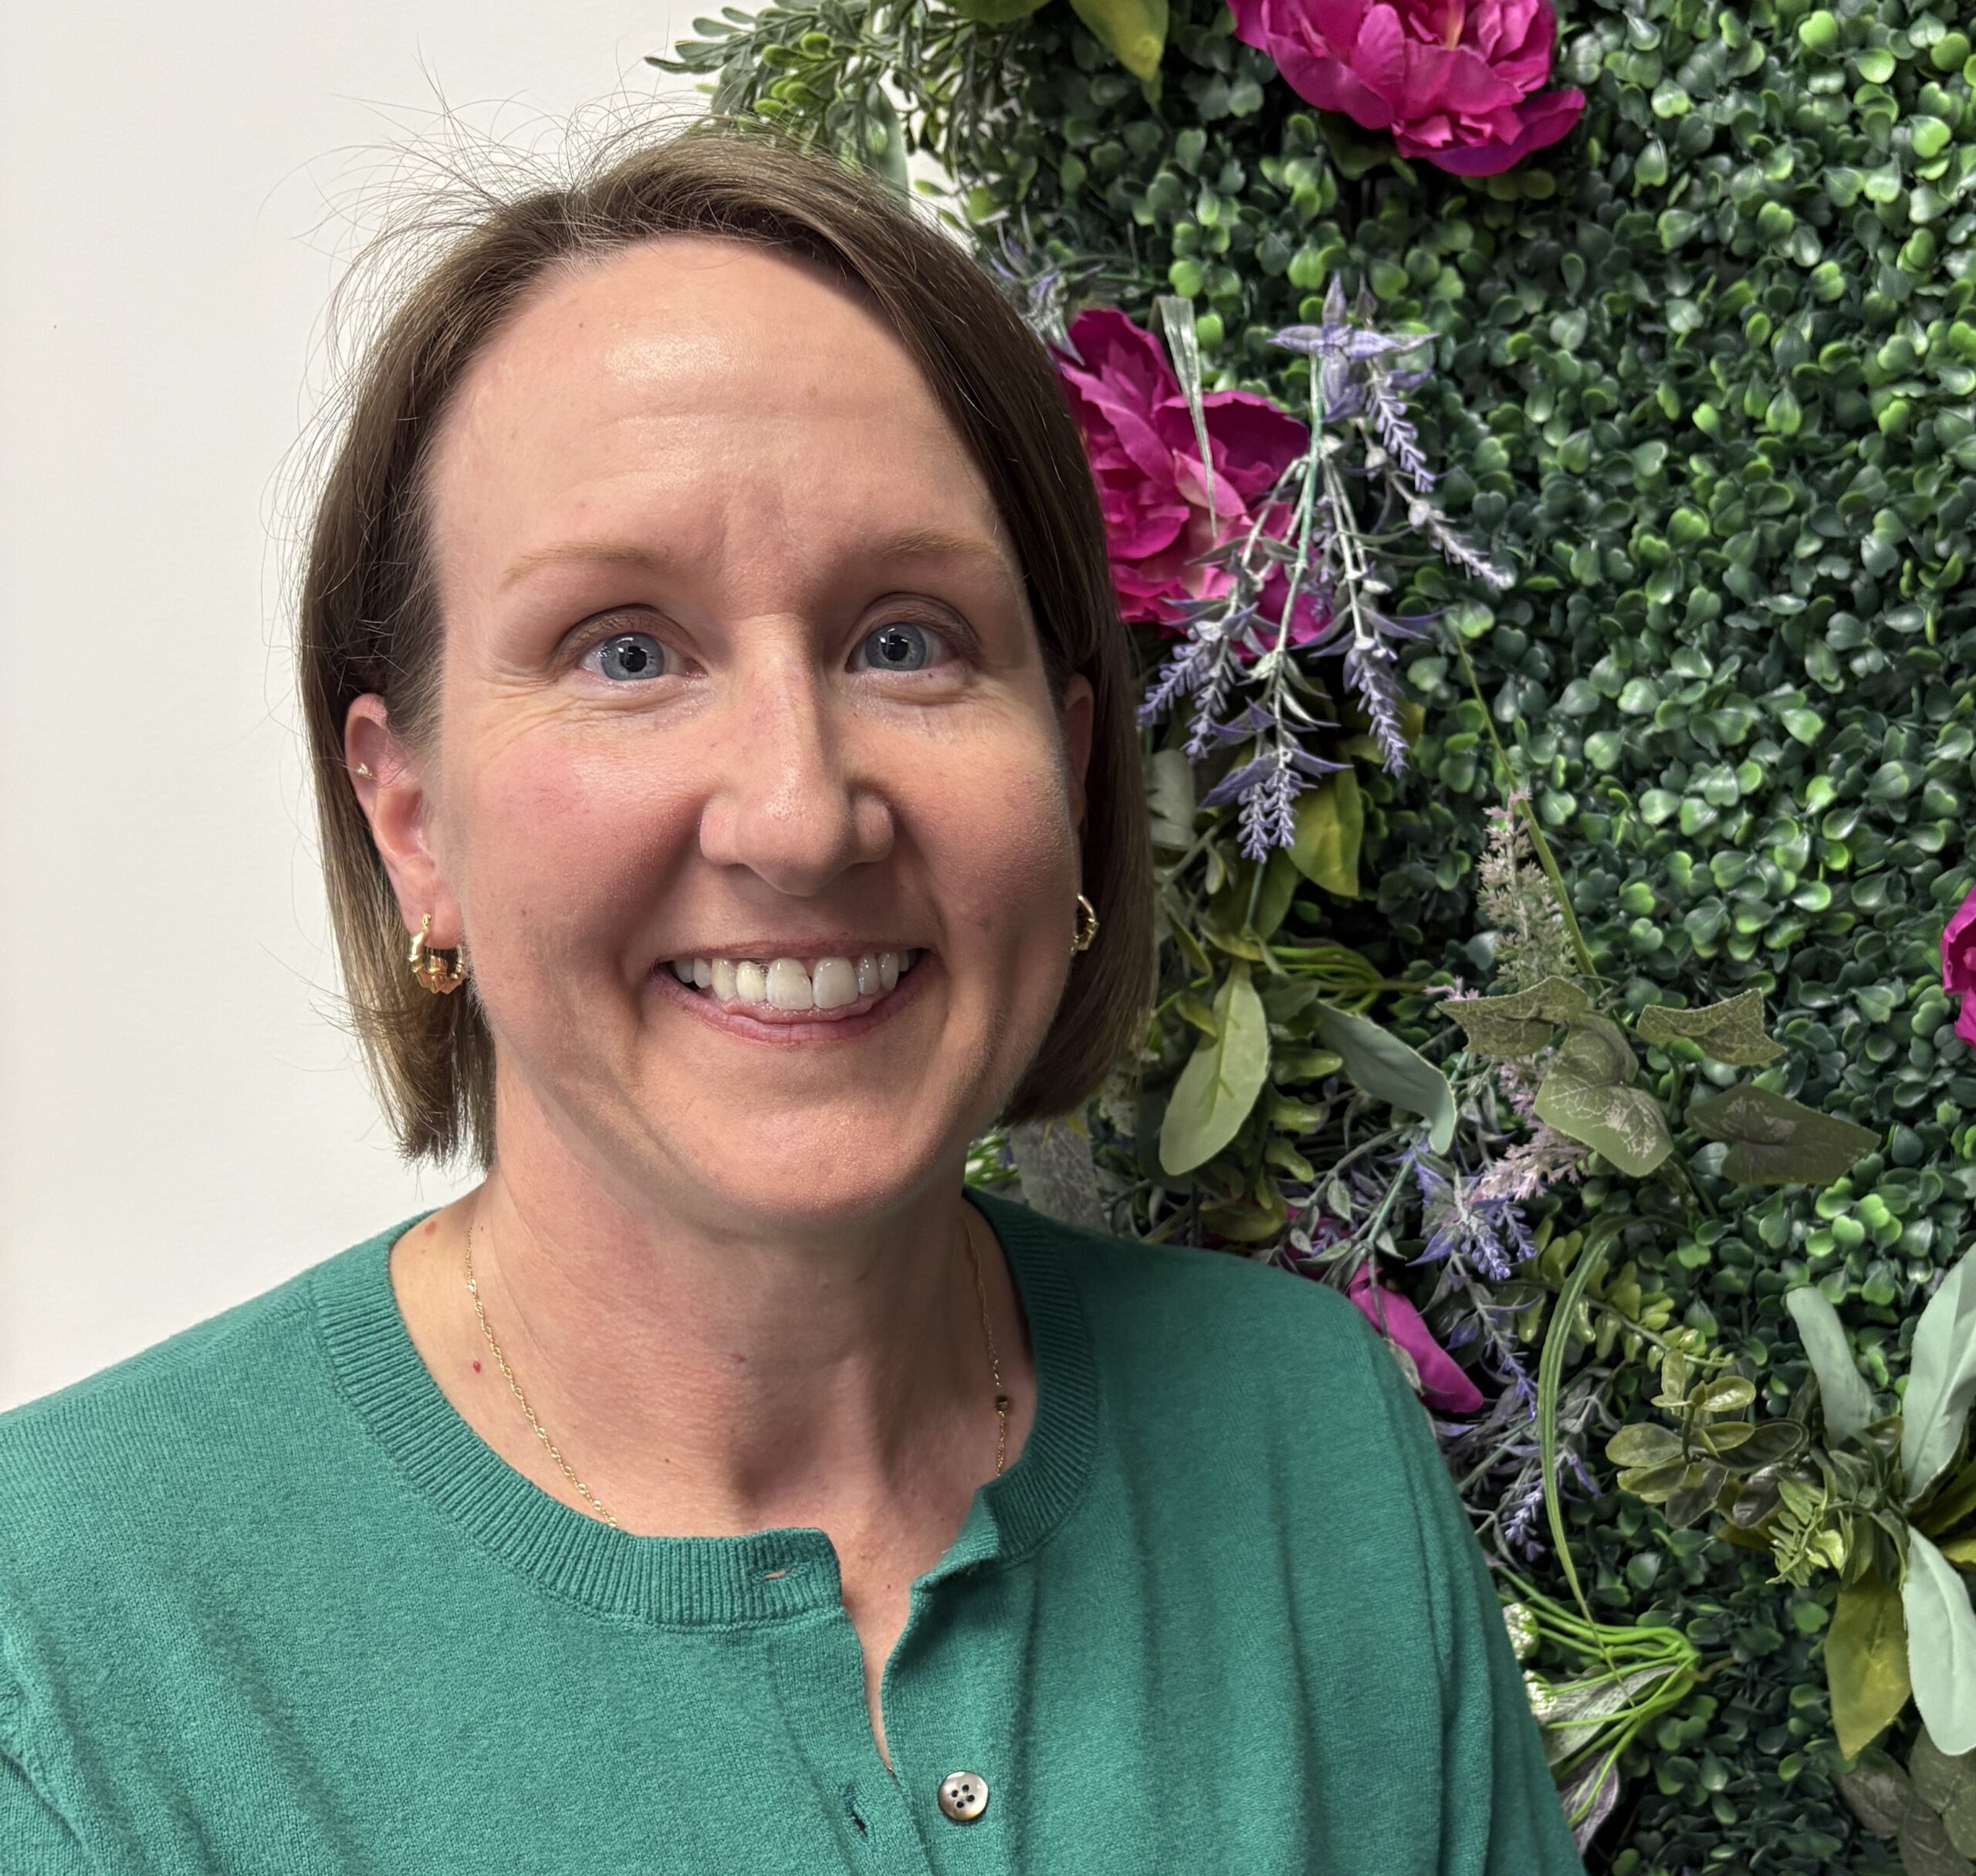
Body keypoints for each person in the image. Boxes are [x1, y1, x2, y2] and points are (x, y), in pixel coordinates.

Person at [0, 120, 1586, 1873]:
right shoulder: (57, 1641)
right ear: (412, 820)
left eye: (905, 641)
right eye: (626, 651)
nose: (799, 813)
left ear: (1069, 768)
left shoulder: (1307, 1434)